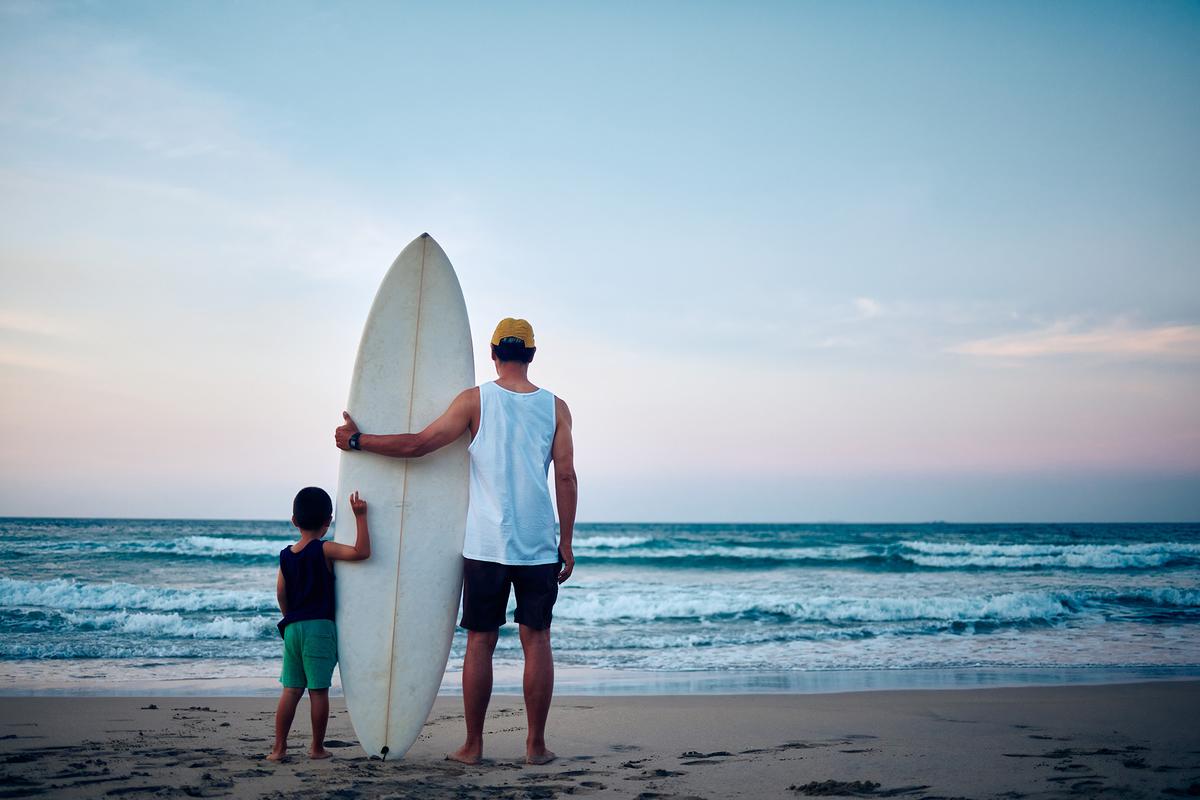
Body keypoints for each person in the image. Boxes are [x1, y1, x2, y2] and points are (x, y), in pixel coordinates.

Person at [334, 317, 577, 766]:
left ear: (492, 353)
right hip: (538, 545)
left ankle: (473, 745)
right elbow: (565, 476)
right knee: (537, 640)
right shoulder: (556, 408)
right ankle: (535, 746)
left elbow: (419, 445)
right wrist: (566, 541)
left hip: (485, 545)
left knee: (481, 642)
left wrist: (357, 440)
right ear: (532, 354)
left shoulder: (474, 401)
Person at [267, 486, 372, 762]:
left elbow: (281, 592)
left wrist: (290, 617)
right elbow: (362, 552)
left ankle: (278, 748)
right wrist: (361, 516)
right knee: (318, 691)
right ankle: (316, 747)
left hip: (292, 627)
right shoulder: (324, 549)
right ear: (328, 521)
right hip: (319, 629)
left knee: (291, 689)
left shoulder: (286, 555)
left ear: (294, 520)